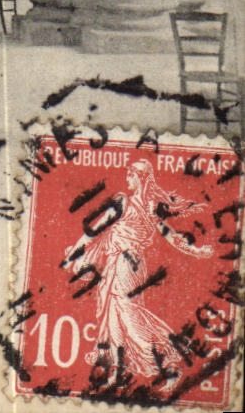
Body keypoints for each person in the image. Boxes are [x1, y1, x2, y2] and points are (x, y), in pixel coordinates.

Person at [63, 157, 212, 382]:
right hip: (121, 265)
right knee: (113, 313)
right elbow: (97, 229)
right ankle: (119, 370)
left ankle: (163, 364)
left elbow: (95, 229)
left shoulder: (129, 205)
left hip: (126, 265)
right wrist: (197, 251)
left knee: (128, 314)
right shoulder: (148, 211)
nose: (127, 179)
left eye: (131, 175)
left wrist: (198, 251)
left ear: (141, 178)